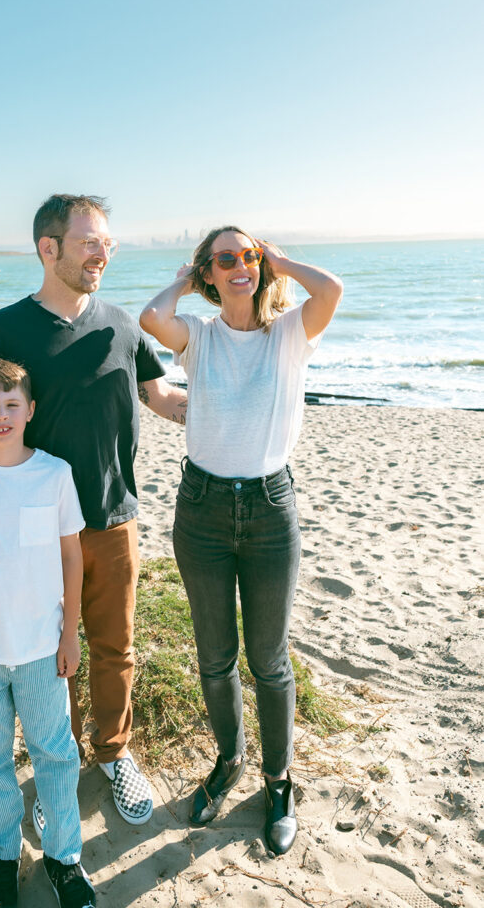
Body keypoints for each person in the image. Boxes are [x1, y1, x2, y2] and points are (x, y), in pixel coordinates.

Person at [0, 194, 187, 829]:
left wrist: (240, 399)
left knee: (114, 647)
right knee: (52, 649)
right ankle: (59, 765)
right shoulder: (6, 327)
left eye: (108, 242)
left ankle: (113, 752)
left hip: (113, 515)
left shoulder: (121, 325)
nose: (103, 252)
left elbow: (162, 398)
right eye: (89, 242)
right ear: (49, 250)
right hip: (34, 528)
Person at [140, 227, 343, 855]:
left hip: (269, 508)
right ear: (210, 271)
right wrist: (184, 277)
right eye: (225, 259)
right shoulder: (198, 337)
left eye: (248, 256)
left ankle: (278, 782)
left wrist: (280, 261)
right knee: (214, 657)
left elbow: (332, 288)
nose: (241, 267)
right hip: (200, 510)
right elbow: (152, 318)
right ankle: (229, 761)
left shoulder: (288, 334)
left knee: (269, 659)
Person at [0, 358, 95, 908]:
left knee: (56, 755)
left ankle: (63, 858)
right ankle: (3, 856)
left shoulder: (54, 474)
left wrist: (69, 633)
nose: (1, 416)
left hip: (38, 647)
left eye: (11, 405)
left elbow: (71, 555)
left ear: (30, 410)